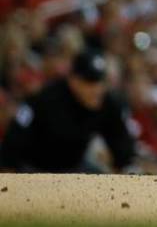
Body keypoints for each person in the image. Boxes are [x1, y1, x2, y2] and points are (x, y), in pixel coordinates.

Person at [0, 50, 135, 172]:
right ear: (73, 80)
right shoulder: (45, 99)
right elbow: (14, 138)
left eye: (100, 81)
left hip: (73, 168)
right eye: (89, 82)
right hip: (34, 169)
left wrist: (122, 165)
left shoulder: (108, 102)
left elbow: (121, 145)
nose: (97, 89)